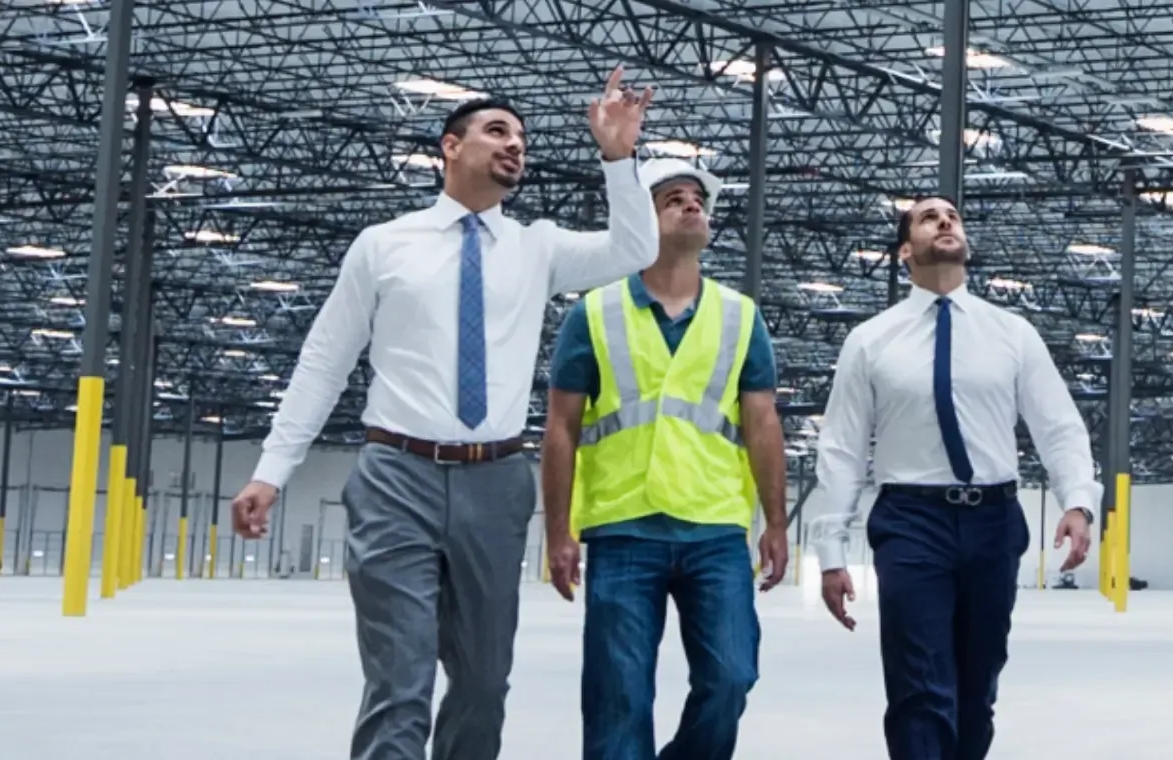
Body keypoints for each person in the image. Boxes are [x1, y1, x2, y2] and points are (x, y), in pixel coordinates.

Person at [228, 69, 658, 760]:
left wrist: (618, 157)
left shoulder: (536, 246)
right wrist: (271, 471)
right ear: (449, 147)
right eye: (497, 131)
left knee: (484, 684)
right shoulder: (384, 245)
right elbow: (325, 360)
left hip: (496, 482)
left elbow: (636, 250)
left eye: (520, 136)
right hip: (397, 477)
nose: (514, 144)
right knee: (400, 683)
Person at [805, 197, 1101, 760]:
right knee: (920, 686)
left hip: (994, 521)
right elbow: (842, 451)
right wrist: (831, 551)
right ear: (904, 251)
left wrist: (1079, 502)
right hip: (911, 522)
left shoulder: (1012, 334)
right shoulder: (870, 342)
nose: (945, 221)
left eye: (953, 216)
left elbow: (1059, 427)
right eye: (928, 217)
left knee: (977, 687)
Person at [536, 159, 787, 760]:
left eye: (697, 198)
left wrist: (776, 523)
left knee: (731, 678)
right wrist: (557, 532)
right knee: (617, 696)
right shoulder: (592, 314)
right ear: (639, 220)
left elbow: (763, 424)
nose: (691, 205)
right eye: (673, 198)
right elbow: (561, 428)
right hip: (623, 529)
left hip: (716, 528)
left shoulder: (740, 316)